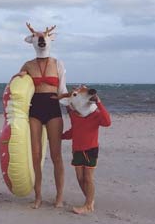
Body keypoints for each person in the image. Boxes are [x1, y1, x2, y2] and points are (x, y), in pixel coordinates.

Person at [11, 23, 69, 209]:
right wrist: (19, 76)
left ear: (50, 40)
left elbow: (62, 90)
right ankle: (38, 196)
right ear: (32, 42)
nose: (42, 39)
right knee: (35, 155)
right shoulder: (28, 65)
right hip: (35, 109)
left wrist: (75, 106)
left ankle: (59, 197)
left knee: (56, 155)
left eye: (44, 36)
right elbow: (17, 86)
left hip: (53, 108)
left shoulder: (58, 63)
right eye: (38, 37)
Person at [61, 87, 112, 215]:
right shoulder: (74, 115)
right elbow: (74, 131)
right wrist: (60, 136)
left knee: (88, 178)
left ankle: (88, 205)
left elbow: (107, 122)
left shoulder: (96, 115)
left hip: (90, 149)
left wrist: (99, 102)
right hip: (77, 149)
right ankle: (90, 200)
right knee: (80, 178)